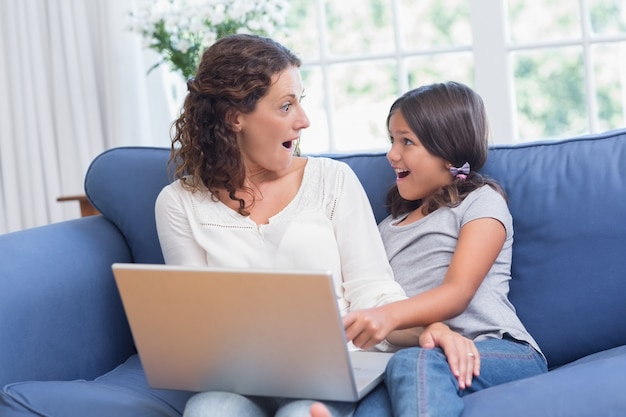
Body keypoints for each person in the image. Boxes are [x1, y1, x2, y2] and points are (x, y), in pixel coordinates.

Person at [154, 35, 478, 417]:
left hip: (332, 372)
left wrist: (428, 328)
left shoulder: (333, 180)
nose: (303, 120)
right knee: (209, 412)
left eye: (300, 102)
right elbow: (198, 319)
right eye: (286, 106)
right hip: (237, 380)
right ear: (234, 117)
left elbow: (372, 290)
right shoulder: (178, 203)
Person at [332, 82, 547, 416]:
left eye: (407, 141)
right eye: (391, 140)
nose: (392, 154)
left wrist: (385, 316)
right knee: (370, 404)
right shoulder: (385, 229)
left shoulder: (481, 203)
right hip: (420, 353)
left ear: (447, 152)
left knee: (412, 363)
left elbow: (457, 292)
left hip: (495, 348)